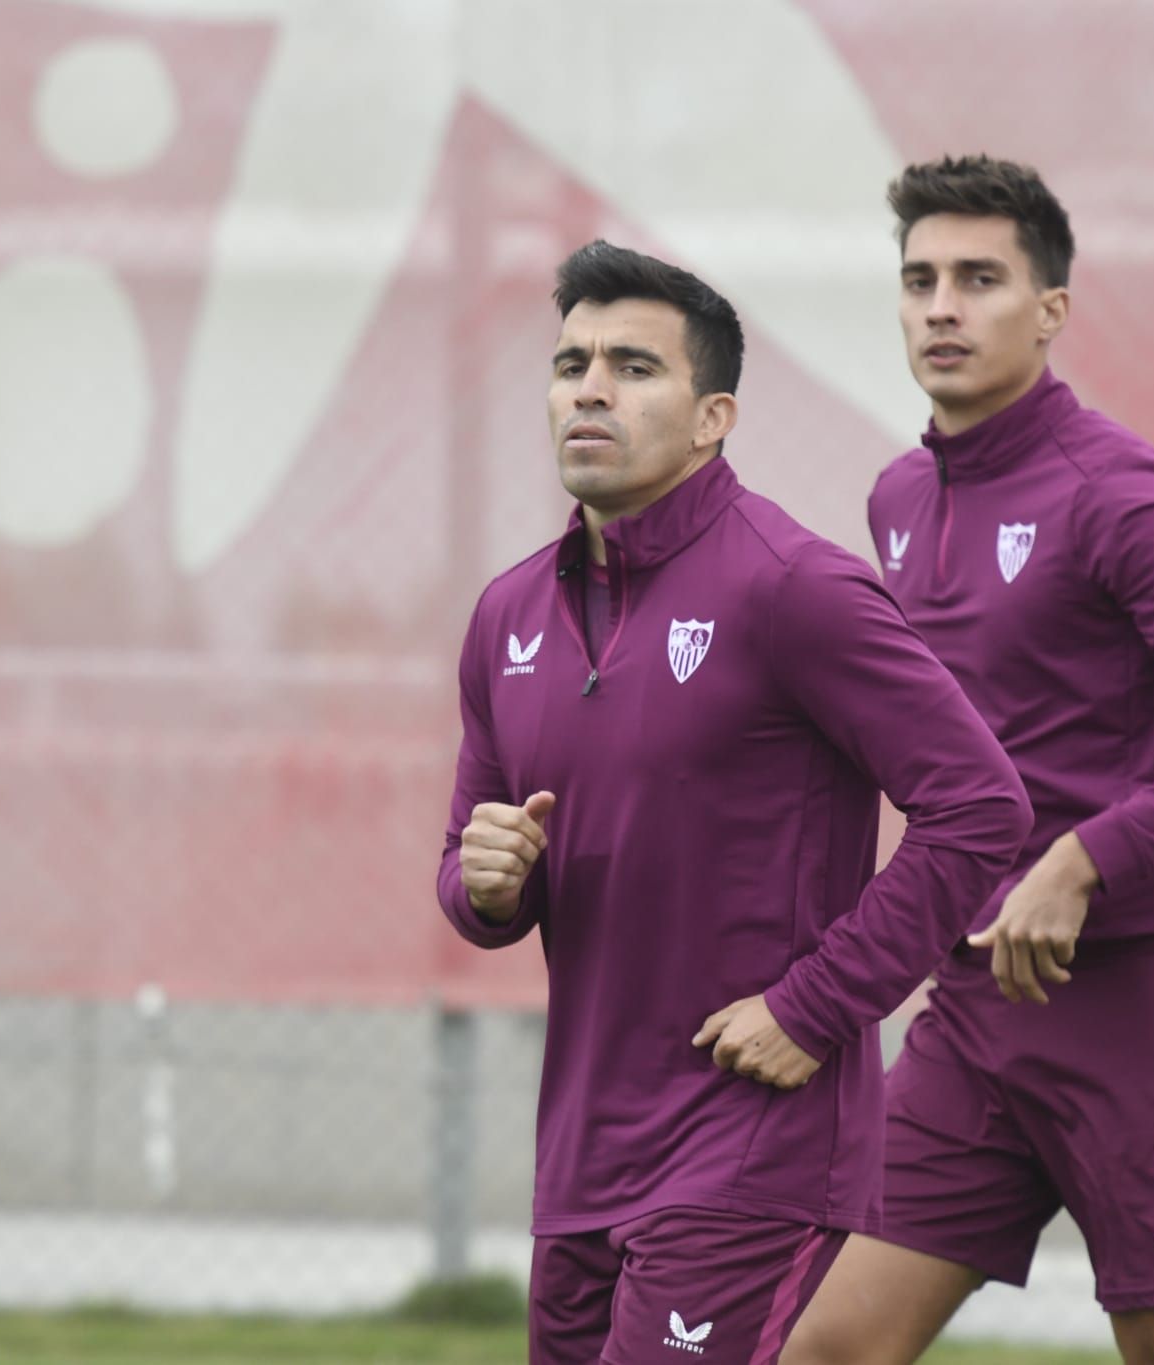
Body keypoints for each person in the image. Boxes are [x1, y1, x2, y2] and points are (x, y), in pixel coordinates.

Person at [437, 239, 1033, 1365]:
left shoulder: (793, 587)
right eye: (569, 364)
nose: (589, 389)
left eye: (631, 366)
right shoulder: (505, 615)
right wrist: (481, 882)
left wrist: (814, 1006)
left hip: (751, 1152)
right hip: (580, 1159)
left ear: (712, 417)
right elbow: (475, 883)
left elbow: (978, 806)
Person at [784, 155, 1154, 1365]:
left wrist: (1082, 861)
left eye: (978, 279)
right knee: (824, 1349)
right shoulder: (897, 499)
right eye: (919, 278)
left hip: (1148, 1005)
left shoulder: (1122, 496)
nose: (940, 306)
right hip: (976, 1009)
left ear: (1048, 311)